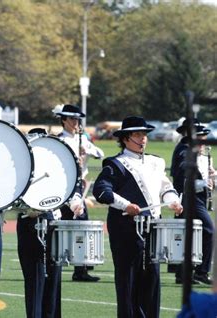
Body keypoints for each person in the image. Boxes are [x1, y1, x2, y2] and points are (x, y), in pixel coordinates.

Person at [93, 116, 183, 317]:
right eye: (137, 135)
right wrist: (126, 205)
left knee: (152, 277)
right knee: (128, 279)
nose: (143, 139)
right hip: (125, 228)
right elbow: (101, 191)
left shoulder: (156, 162)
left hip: (153, 227)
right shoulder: (116, 164)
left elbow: (166, 187)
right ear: (125, 138)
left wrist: (173, 201)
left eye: (144, 135)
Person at [16, 127, 85, 318]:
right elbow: (12, 199)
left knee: (54, 280)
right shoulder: (21, 169)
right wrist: (27, 210)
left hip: (54, 224)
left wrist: (75, 203)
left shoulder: (53, 166)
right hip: (30, 225)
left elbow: (69, 190)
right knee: (35, 281)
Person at [52, 104, 104, 282]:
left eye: (77, 120)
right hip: (65, 187)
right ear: (64, 120)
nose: (76, 123)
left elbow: (100, 153)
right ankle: (57, 262)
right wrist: (75, 162)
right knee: (62, 225)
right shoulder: (60, 140)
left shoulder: (83, 139)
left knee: (81, 226)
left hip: (79, 186)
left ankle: (80, 269)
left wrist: (86, 150)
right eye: (72, 119)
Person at [171, 118, 214, 285]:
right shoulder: (184, 150)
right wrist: (204, 183)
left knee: (188, 234)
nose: (203, 140)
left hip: (197, 198)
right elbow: (184, 177)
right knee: (209, 231)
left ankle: (183, 273)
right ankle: (201, 272)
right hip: (190, 198)